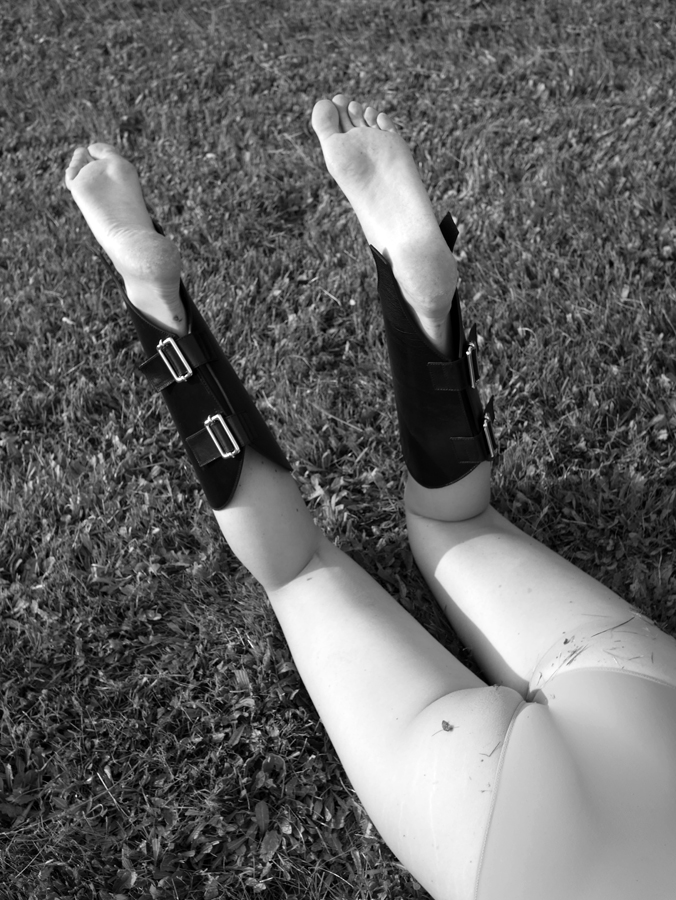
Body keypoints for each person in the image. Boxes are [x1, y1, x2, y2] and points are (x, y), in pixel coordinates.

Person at [65, 94, 676, 900]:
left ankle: (414, 292)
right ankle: (160, 311)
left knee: (459, 520)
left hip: (653, 722)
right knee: (300, 572)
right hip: (527, 850)